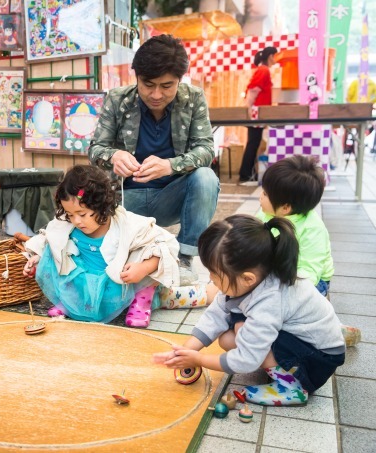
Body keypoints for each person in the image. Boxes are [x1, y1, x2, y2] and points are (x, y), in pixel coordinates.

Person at [153, 214, 345, 406]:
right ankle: (277, 366)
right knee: (228, 338)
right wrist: (185, 351)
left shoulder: (269, 301)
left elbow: (246, 360)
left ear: (247, 278)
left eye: (215, 274)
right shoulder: (250, 279)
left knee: (240, 330)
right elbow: (215, 315)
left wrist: (200, 359)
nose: (211, 279)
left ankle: (292, 387)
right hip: (302, 343)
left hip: (317, 359)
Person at [89, 34, 219, 286]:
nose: (156, 94)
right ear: (135, 76)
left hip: (171, 197)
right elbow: (95, 149)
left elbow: (206, 150)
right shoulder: (117, 99)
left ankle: (184, 258)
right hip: (125, 201)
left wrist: (171, 165)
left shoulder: (193, 99)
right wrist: (113, 155)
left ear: (179, 80)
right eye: (148, 84)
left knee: (206, 178)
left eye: (167, 86)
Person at [22, 165, 180, 328]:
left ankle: (141, 301)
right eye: (70, 214)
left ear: (101, 205)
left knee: (149, 250)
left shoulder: (126, 225)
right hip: (84, 282)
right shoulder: (66, 224)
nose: (76, 220)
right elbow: (50, 238)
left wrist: (143, 268)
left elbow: (166, 245)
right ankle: (72, 302)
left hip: (119, 282)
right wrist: (37, 258)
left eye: (82, 214)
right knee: (54, 250)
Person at [258, 154, 361, 346]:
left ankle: (329, 328)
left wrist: (277, 294)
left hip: (309, 282)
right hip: (278, 274)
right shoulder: (266, 213)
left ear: (285, 208)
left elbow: (308, 277)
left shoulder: (313, 229)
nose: (260, 196)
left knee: (290, 317)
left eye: (264, 193)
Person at [239, 46, 277, 184]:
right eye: (275, 56)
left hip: (256, 111)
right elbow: (254, 89)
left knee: (253, 143)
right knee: (253, 143)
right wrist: (248, 108)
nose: (275, 59)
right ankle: (245, 174)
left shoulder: (262, 70)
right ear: (270, 56)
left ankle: (248, 173)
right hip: (256, 111)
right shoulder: (264, 70)